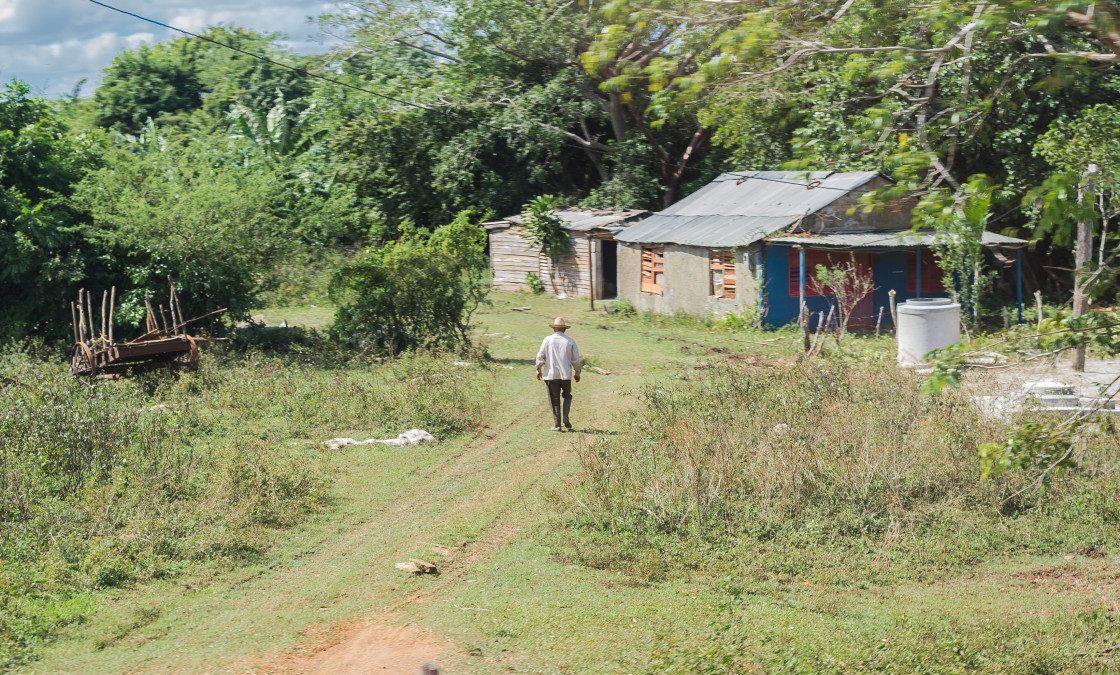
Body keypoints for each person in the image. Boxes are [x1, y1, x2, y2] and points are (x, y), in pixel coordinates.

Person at [535, 317, 581, 431]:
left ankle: (557, 425)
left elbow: (540, 356)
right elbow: (576, 360)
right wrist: (577, 373)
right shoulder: (570, 341)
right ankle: (565, 417)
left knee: (554, 399)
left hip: (551, 375)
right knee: (567, 395)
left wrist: (538, 369)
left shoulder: (548, 340)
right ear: (564, 329)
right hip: (566, 375)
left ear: (554, 328)